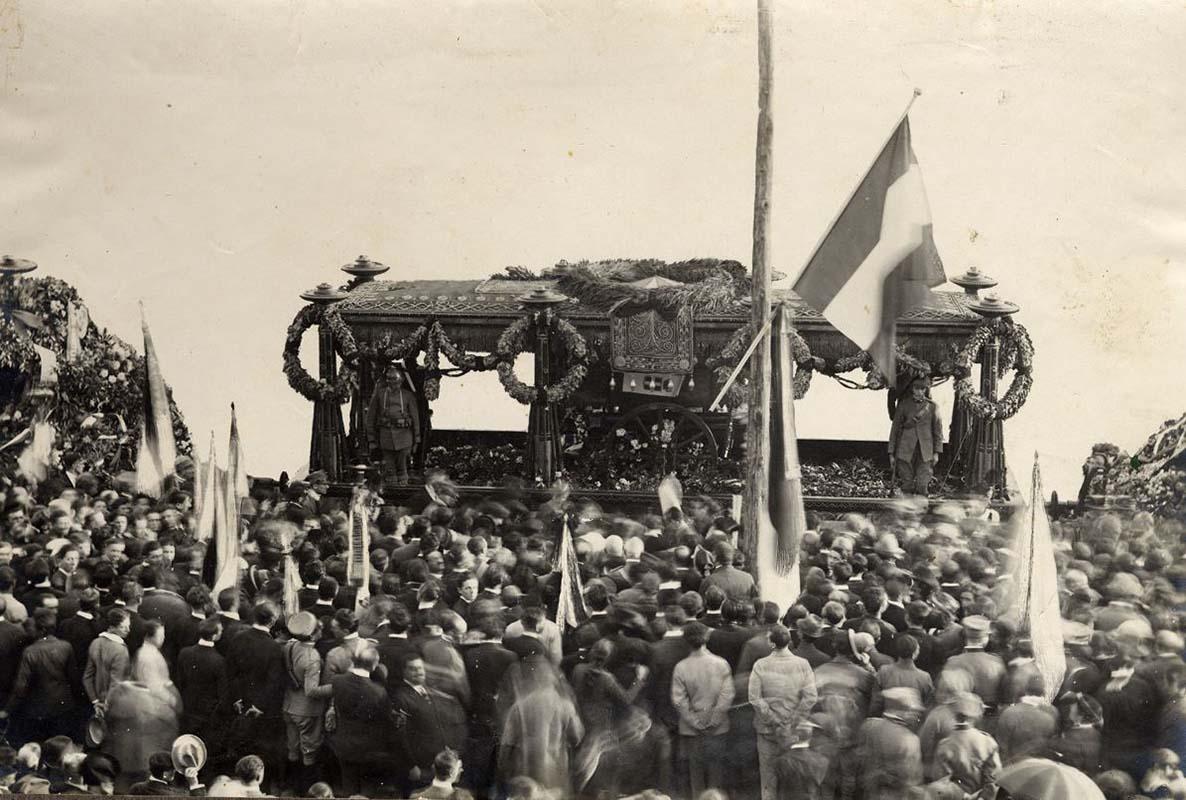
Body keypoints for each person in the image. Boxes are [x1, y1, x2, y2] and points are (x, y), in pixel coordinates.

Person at [748, 623, 817, 800]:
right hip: (794, 733)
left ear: (771, 642)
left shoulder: (760, 665)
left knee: (768, 779)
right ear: (789, 641)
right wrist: (791, 720)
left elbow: (755, 698)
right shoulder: (803, 664)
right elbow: (810, 697)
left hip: (767, 731)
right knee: (794, 782)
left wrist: (773, 719)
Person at [671, 620, 734, 797]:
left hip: (692, 731)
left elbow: (678, 700)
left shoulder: (681, 667)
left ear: (686, 641)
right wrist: (714, 720)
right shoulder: (721, 663)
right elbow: (727, 695)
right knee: (716, 773)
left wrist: (694, 722)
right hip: (718, 728)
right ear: (706, 639)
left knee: (695, 775)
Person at [281, 611, 332, 794]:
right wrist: (337, 687)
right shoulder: (312, 657)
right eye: (318, 629)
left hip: (289, 706)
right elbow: (311, 691)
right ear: (311, 635)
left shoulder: (289, 646)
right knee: (309, 751)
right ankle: (305, 790)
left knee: (292, 747)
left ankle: (291, 786)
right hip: (307, 711)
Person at [367, 363, 422, 487]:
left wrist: (417, 440)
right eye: (390, 381)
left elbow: (415, 419)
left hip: (405, 439)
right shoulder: (379, 395)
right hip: (385, 438)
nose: (393, 385)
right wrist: (371, 440)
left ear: (401, 381)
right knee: (389, 472)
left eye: (395, 381)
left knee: (403, 471)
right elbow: (370, 418)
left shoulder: (408, 396)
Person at [888, 377, 945, 496]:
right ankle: (907, 512)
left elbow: (938, 432)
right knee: (906, 484)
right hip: (905, 449)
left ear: (926, 390)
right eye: (916, 388)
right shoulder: (903, 405)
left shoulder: (932, 407)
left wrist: (936, 452)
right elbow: (895, 429)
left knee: (923, 484)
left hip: (925, 451)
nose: (919, 392)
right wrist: (891, 453)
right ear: (912, 389)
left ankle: (921, 509)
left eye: (922, 389)